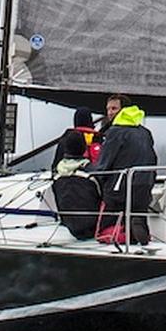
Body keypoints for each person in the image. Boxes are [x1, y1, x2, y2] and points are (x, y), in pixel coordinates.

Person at [93, 96, 157, 245]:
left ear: (124, 110)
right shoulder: (145, 132)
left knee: (103, 229)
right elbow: (153, 158)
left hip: (119, 189)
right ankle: (138, 234)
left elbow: (104, 163)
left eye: (114, 108)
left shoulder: (115, 132)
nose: (109, 112)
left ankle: (119, 235)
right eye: (108, 109)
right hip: (144, 185)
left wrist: (93, 175)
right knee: (137, 214)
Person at [51, 108, 102, 240]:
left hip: (68, 218)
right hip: (94, 215)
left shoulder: (66, 138)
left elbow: (55, 166)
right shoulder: (98, 138)